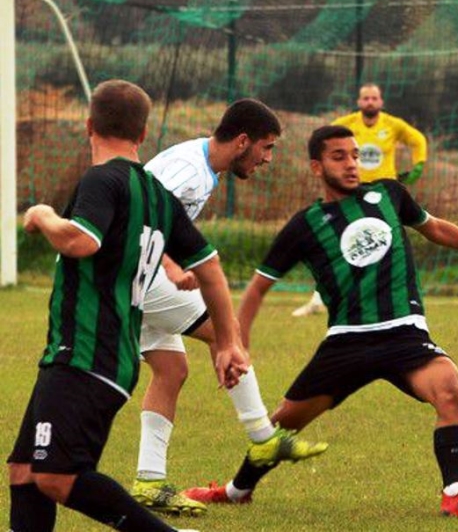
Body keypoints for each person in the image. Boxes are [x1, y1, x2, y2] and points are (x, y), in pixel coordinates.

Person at [183, 125, 458, 518]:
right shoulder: (306, 224)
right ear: (316, 167)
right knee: (281, 426)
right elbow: (257, 288)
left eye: (355, 155)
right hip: (346, 343)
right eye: (339, 156)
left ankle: (456, 494)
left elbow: (435, 228)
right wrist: (237, 345)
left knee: (450, 390)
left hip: (404, 332)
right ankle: (237, 490)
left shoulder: (389, 194)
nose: (351, 163)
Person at [7, 79, 247, 532]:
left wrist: (42, 215)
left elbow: (81, 241)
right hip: (88, 355)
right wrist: (228, 340)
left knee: (56, 476)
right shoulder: (157, 194)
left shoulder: (102, 179)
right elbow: (211, 267)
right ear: (143, 134)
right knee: (24, 473)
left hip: (86, 353)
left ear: (88, 125)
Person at [129, 99, 327, 517]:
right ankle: (263, 435)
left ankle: (149, 482)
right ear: (242, 142)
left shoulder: (203, 167)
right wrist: (167, 262)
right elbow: (138, 213)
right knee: (225, 332)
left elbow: (157, 218)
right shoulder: (188, 169)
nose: (268, 159)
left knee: (171, 370)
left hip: (136, 275)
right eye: (266, 148)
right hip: (139, 275)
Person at [292, 82, 427, 317]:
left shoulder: (393, 125)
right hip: (351, 193)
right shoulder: (346, 125)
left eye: (374, 98)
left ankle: (390, 297)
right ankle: (319, 298)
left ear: (381, 102)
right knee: (341, 244)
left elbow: (418, 140)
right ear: (359, 102)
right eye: (365, 98)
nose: (370, 102)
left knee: (384, 246)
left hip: (383, 197)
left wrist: (418, 165)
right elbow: (322, 141)